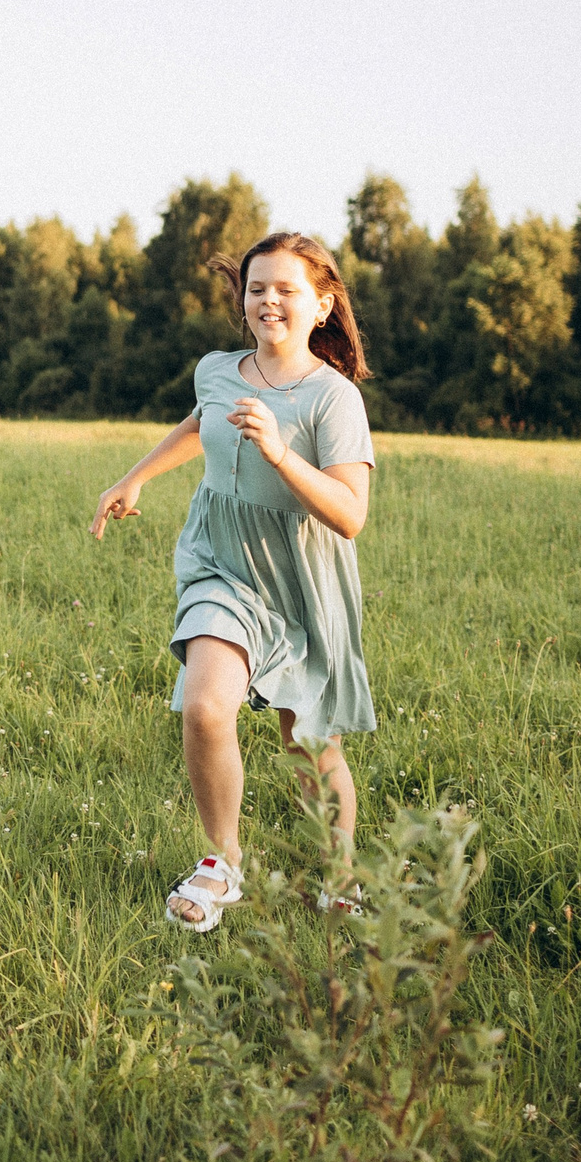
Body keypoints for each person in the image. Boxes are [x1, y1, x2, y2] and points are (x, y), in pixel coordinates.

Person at [90, 233, 377, 932]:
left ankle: (341, 876)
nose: (268, 299)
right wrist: (135, 477)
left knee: (308, 745)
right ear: (241, 299)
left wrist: (280, 452)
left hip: (301, 582)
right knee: (205, 705)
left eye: (285, 288)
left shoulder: (332, 398)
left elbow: (350, 515)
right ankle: (221, 863)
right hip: (220, 564)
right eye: (256, 287)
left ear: (322, 304)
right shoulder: (218, 369)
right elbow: (198, 424)